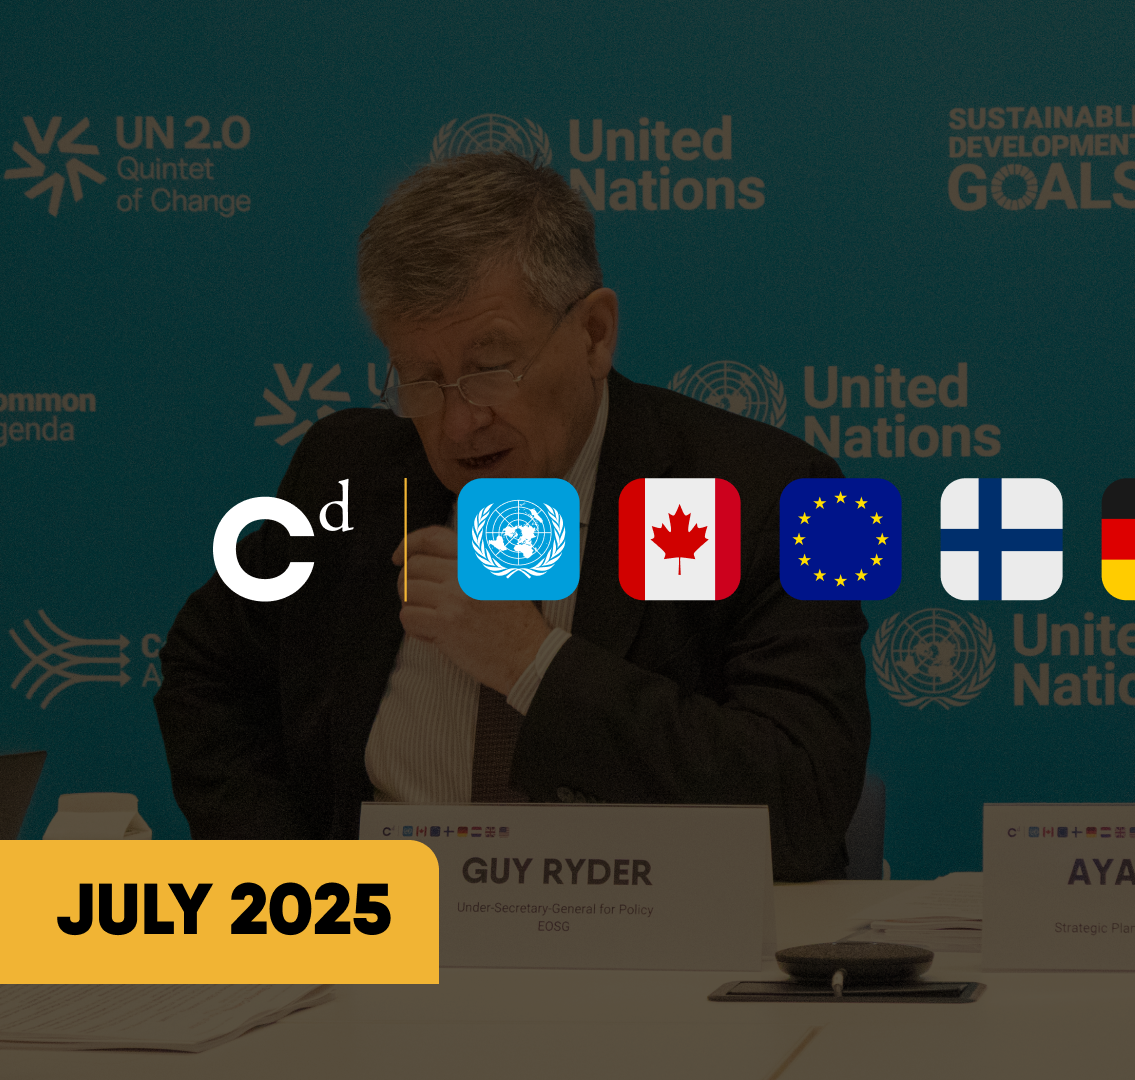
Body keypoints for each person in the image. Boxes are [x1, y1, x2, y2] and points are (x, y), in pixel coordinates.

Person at [156, 153, 869, 880]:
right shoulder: (350, 479)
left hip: (648, 965)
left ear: (594, 334)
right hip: (385, 960)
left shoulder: (772, 494)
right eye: (423, 380)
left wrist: (531, 662)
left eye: (492, 367)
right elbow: (205, 672)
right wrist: (293, 883)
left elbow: (802, 803)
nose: (461, 423)